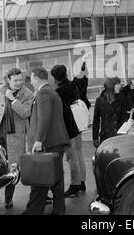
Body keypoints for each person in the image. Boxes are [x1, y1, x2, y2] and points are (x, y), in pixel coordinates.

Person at [22, 67, 70, 215]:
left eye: (32, 79)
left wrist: (38, 141)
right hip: (56, 142)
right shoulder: (51, 91)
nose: (32, 83)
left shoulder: (43, 92)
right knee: (56, 178)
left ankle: (33, 211)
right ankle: (58, 210)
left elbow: (44, 118)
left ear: (36, 78)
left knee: (40, 178)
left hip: (48, 143)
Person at [0, 68, 34, 208]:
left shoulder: (28, 94)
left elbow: (26, 113)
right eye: (15, 80)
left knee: (12, 169)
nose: (18, 83)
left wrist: (13, 100)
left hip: (14, 137)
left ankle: (8, 199)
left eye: (20, 80)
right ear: (8, 80)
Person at [51, 64, 87, 197]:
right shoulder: (73, 85)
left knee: (71, 157)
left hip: (69, 127)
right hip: (78, 124)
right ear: (65, 74)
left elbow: (61, 112)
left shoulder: (59, 91)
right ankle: (82, 181)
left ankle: (75, 184)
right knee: (79, 153)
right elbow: (81, 79)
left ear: (55, 78)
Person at [92, 77, 125, 147]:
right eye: (117, 84)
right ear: (111, 86)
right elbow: (96, 121)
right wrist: (95, 138)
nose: (120, 86)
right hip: (106, 138)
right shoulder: (99, 100)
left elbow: (125, 117)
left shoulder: (121, 98)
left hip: (119, 136)